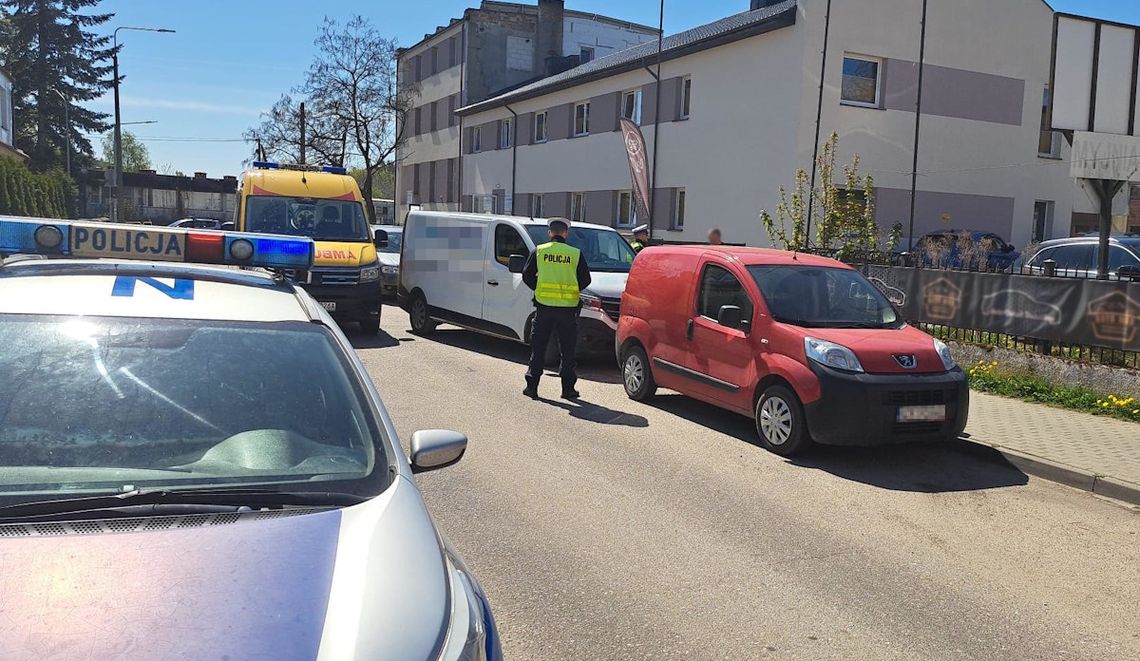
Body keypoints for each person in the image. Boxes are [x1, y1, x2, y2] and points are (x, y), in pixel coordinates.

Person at [522, 217, 592, 400]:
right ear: (566, 234)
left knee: (539, 348)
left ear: (549, 233)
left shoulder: (539, 251)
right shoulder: (575, 254)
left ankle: (532, 387)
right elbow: (586, 280)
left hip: (544, 307)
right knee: (567, 351)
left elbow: (527, 275)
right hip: (567, 310)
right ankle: (567, 389)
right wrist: (570, 289)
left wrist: (539, 287)